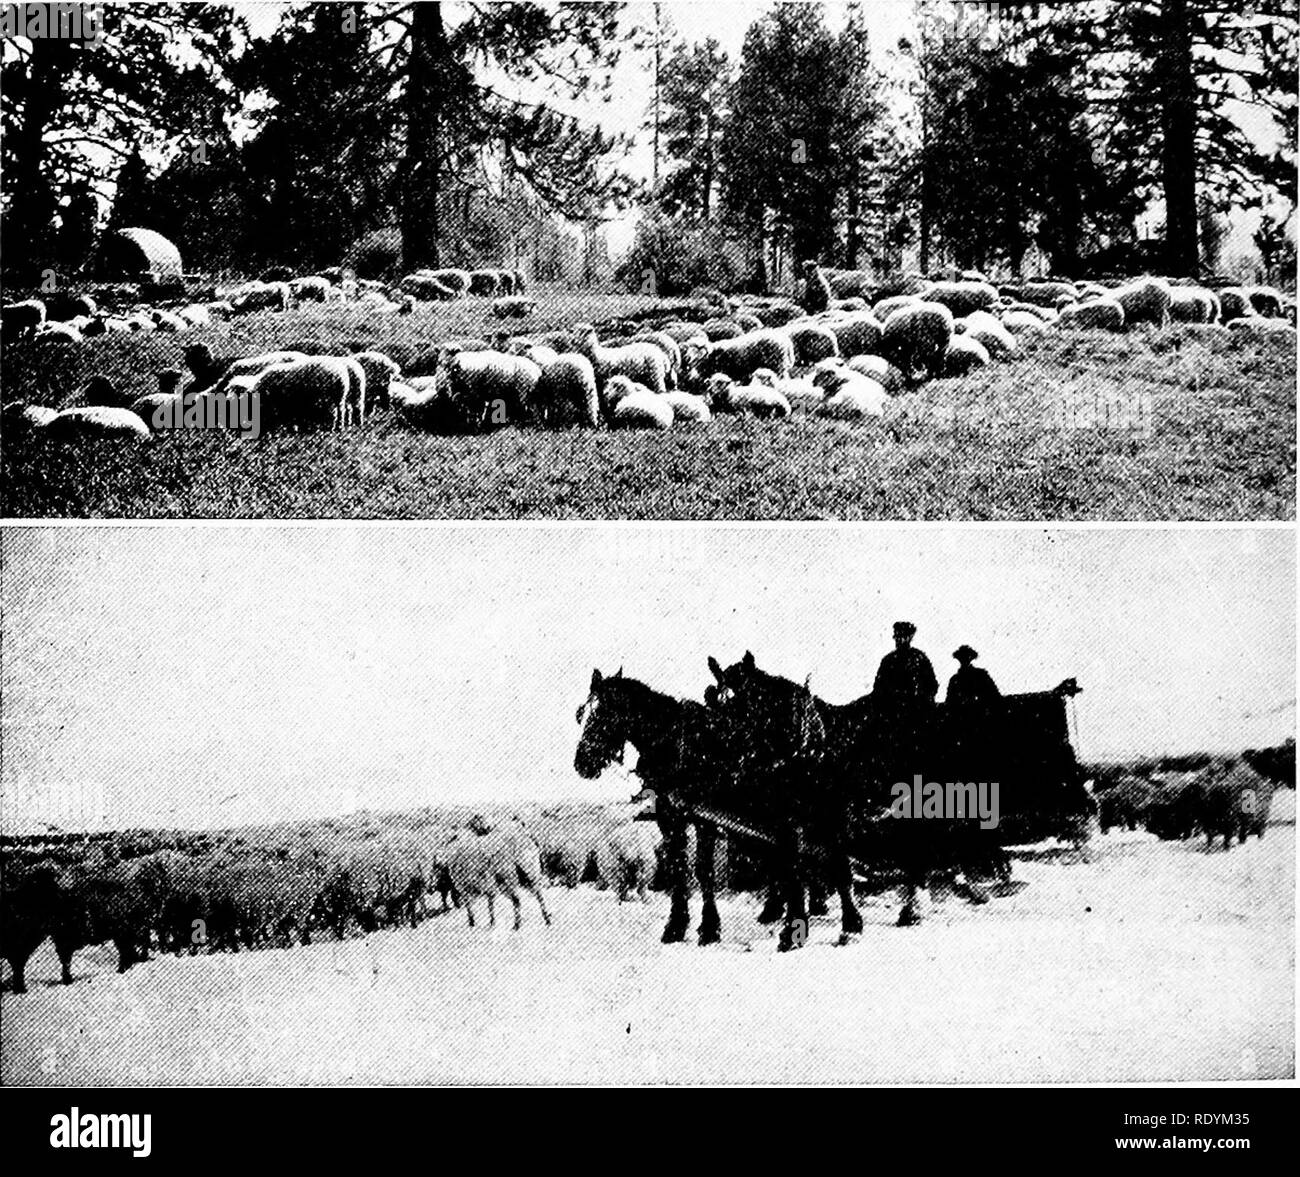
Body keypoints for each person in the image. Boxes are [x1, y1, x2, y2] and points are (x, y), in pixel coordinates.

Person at [872, 622, 937, 784]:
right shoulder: (888, 661)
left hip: (917, 714)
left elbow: (932, 685)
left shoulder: (919, 658)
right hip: (894, 716)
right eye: (898, 636)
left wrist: (922, 701)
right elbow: (878, 689)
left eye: (904, 636)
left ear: (910, 638)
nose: (900, 640)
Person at [946, 645, 1000, 709]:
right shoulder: (954, 679)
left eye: (966, 657)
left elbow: (993, 694)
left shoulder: (981, 675)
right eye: (962, 658)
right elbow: (950, 701)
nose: (964, 660)